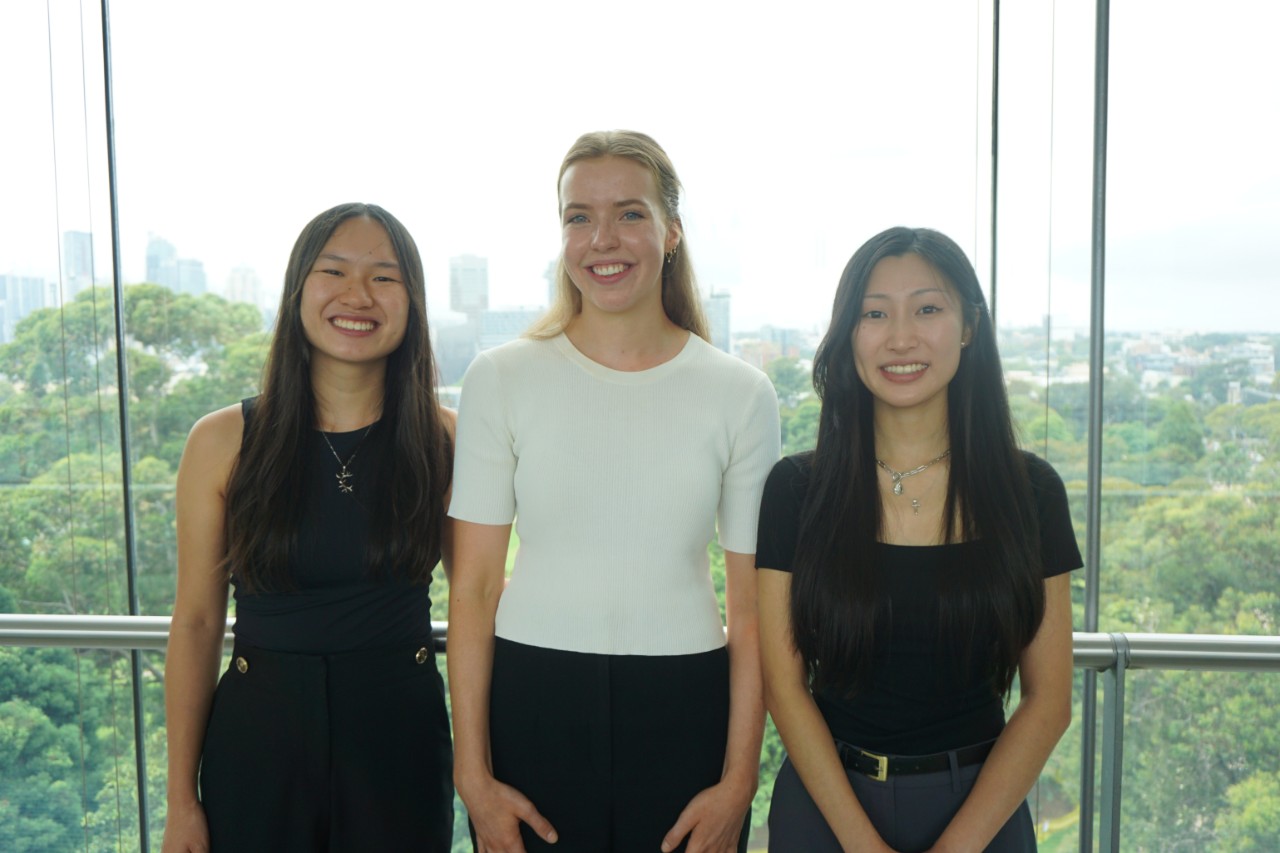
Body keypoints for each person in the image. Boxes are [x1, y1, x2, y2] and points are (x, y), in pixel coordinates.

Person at [447, 130, 781, 853]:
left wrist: (737, 783)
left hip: (688, 708)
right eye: (578, 216)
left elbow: (752, 613)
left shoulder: (741, 394)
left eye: (630, 213)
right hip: (530, 707)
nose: (603, 238)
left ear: (671, 233)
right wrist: (472, 776)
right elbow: (471, 592)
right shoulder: (499, 378)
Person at [756, 227, 1078, 852]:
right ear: (848, 333)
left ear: (968, 327)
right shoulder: (797, 490)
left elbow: (1049, 701)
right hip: (827, 808)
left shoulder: (1030, 492)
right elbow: (784, 686)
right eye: (874, 314)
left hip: (981, 809)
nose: (900, 337)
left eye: (928, 309)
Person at [161, 203, 455, 852]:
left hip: (400, 740)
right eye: (335, 271)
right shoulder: (220, 441)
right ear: (299, 289)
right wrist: (181, 799)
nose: (358, 295)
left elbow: (482, 603)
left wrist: (483, 773)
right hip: (257, 740)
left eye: (384, 277)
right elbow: (198, 623)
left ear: (413, 302)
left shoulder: (445, 439)